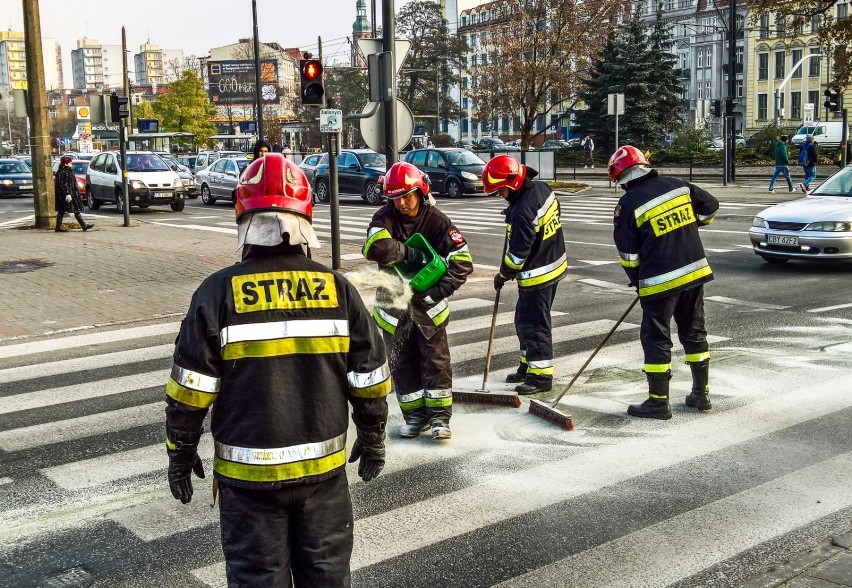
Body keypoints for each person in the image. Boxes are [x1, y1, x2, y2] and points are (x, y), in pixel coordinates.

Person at [165, 153, 390, 586]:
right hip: (321, 478)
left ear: (244, 221)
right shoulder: (338, 289)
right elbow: (370, 379)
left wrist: (180, 453)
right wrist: (373, 437)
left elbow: (190, 390)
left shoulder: (217, 293)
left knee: (257, 579)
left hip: (248, 483)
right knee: (325, 577)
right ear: (304, 220)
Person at [362, 161, 473, 440]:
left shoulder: (437, 220)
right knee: (402, 365)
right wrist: (409, 254)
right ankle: (414, 417)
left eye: (407, 195)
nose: (401, 203)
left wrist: (436, 292)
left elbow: (462, 260)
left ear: (420, 191)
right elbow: (378, 248)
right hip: (394, 309)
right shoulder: (383, 217)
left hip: (428, 310)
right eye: (395, 197)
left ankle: (439, 419)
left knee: (435, 363)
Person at [609, 145, 719, 420]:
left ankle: (658, 402)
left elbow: (629, 255)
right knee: (694, 332)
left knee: (656, 338)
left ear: (623, 179)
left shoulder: (629, 204)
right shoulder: (678, 185)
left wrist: (638, 282)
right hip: (694, 273)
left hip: (659, 281)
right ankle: (701, 394)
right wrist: (692, 223)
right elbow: (710, 208)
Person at [484, 154, 568, 395]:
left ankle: (541, 376)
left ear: (513, 184)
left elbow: (518, 254)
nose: (500, 195)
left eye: (501, 191)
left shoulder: (522, 212)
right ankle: (528, 365)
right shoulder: (543, 189)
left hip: (538, 275)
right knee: (523, 320)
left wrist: (503, 274)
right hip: (553, 263)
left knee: (534, 324)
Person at [54, 155, 93, 232]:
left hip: (66, 194)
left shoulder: (64, 171)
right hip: (66, 195)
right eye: (69, 162)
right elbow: (63, 184)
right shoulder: (64, 172)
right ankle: (83, 225)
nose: (71, 164)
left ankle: (58, 226)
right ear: (65, 164)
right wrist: (67, 193)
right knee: (73, 210)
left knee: (64, 210)